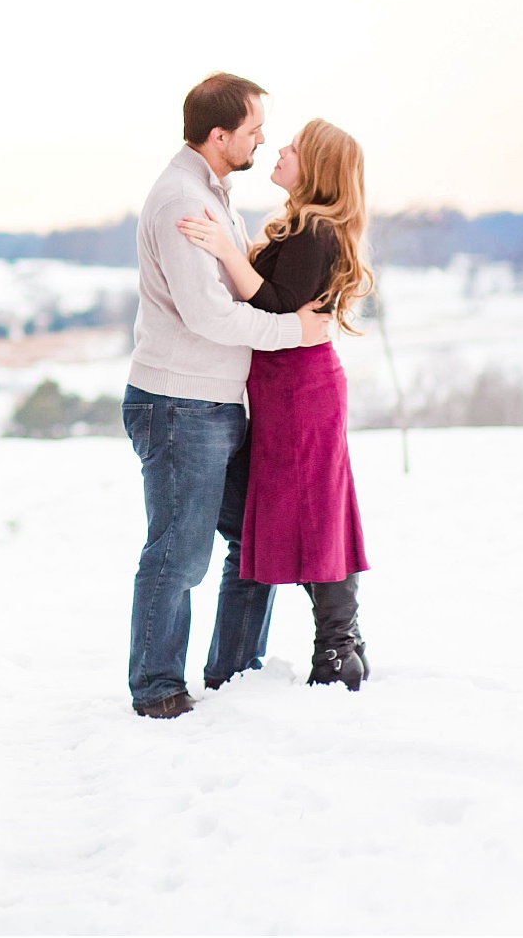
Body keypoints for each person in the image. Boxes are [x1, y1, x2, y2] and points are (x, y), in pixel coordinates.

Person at [124, 74, 332, 720]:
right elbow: (209, 315)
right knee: (179, 553)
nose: (263, 138)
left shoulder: (213, 195)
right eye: (252, 130)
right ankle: (157, 687)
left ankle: (234, 670)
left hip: (213, 403)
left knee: (253, 534)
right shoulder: (182, 201)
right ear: (219, 137)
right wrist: (290, 331)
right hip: (181, 403)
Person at [178, 118, 375, 691]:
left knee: (316, 509)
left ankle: (337, 649)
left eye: (293, 146)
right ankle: (344, 641)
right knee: (310, 507)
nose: (279, 148)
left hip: (299, 388)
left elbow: (277, 307)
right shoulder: (302, 227)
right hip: (286, 385)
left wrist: (222, 250)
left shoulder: (317, 228)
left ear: (315, 168)